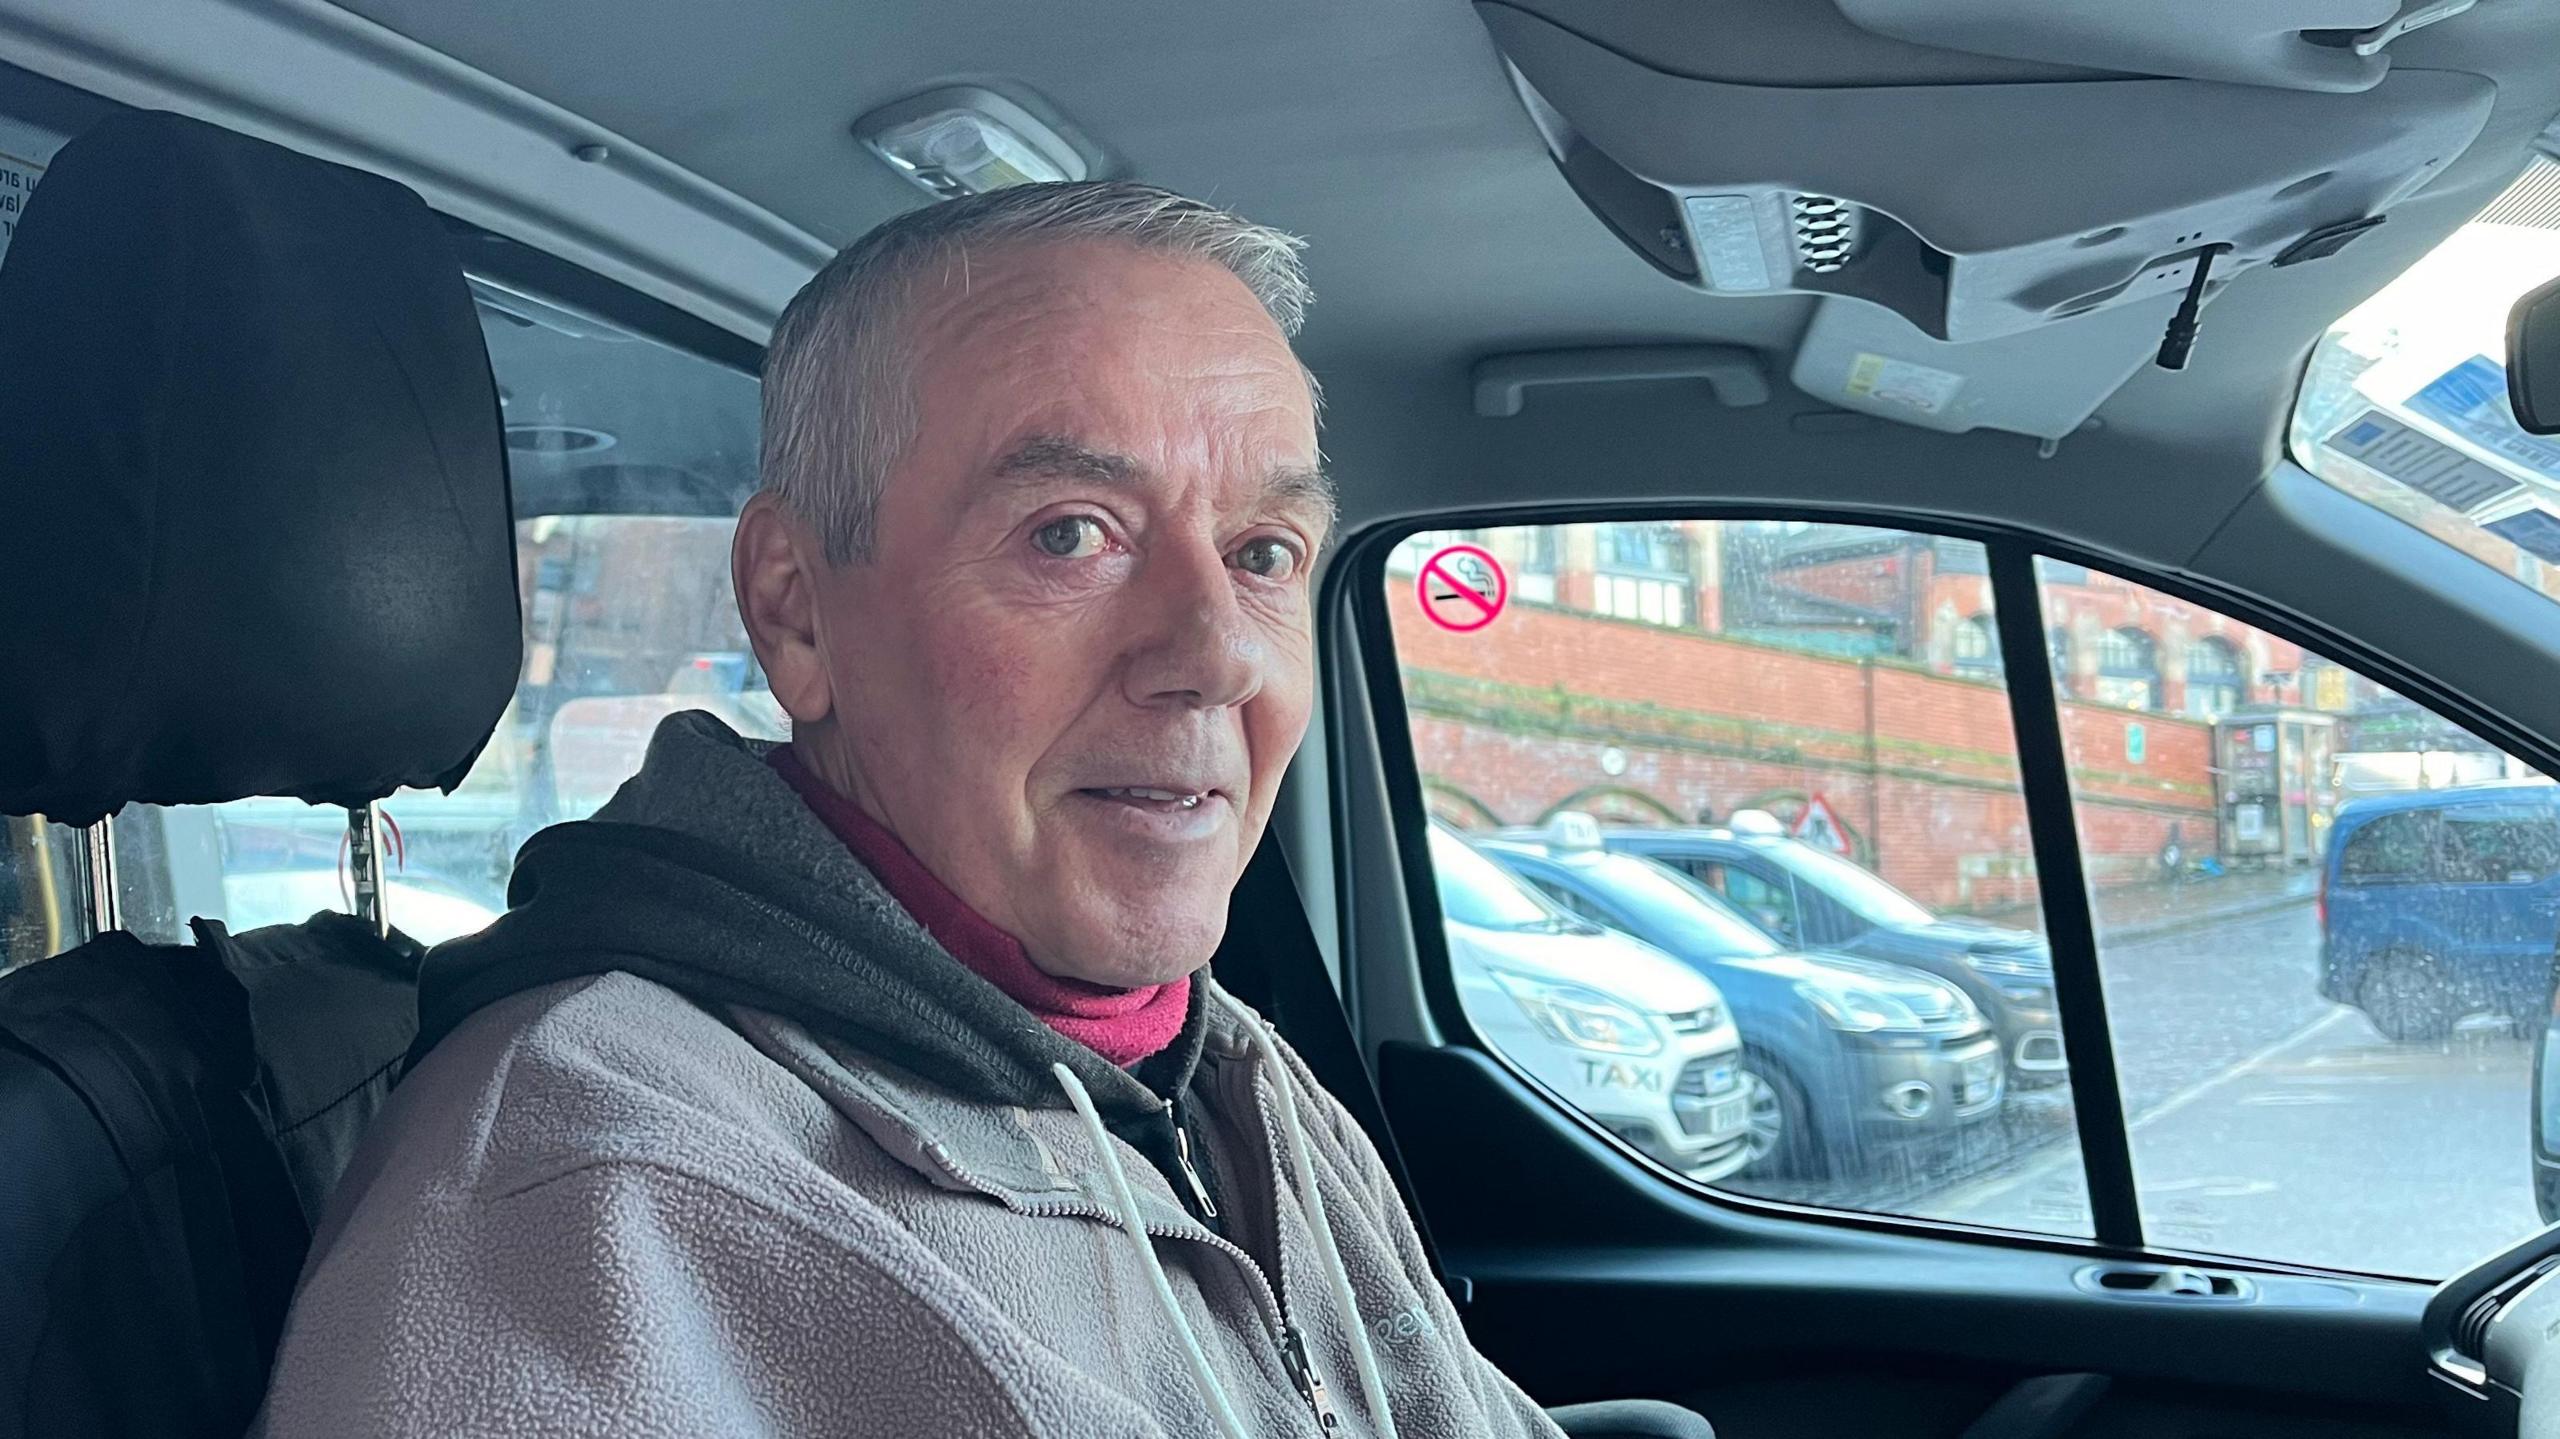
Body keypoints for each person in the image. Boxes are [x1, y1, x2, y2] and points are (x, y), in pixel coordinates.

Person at [257, 182, 1704, 1438]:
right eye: (1071, 534)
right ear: (795, 610)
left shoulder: (1222, 1071)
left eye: (1263, 550)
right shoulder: (586, 1212)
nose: (1213, 653)